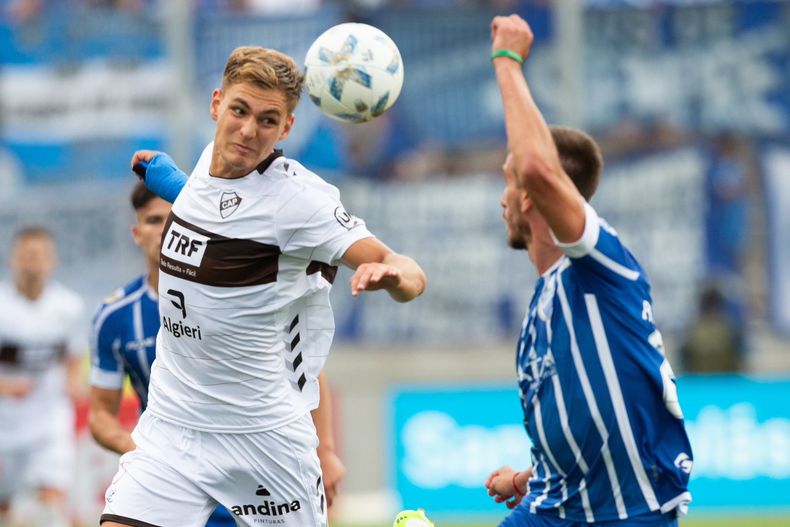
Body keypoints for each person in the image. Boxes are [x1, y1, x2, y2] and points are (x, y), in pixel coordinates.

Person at [100, 46, 426, 527]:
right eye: (240, 111)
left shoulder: (300, 201)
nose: (249, 131)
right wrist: (162, 173)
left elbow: (403, 268)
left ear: (287, 128)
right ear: (216, 104)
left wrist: (395, 277)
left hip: (263, 437)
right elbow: (206, 202)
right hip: (173, 427)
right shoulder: (207, 166)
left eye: (269, 120)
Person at [483, 15, 692, 527]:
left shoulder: (600, 265)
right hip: (555, 506)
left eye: (509, 183)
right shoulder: (543, 304)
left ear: (532, 194)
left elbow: (535, 165)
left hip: (629, 514)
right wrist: (529, 478)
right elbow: (592, 432)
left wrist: (507, 61)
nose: (503, 199)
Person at [90, 183, 347, 525]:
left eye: (173, 220)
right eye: (153, 221)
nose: (164, 231)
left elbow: (307, 372)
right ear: (137, 234)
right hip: (174, 464)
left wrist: (325, 452)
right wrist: (142, 451)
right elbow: (100, 414)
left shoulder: (236, 294)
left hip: (255, 464)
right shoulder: (116, 317)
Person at [0, 227, 85, 527]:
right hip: (6, 424)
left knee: (53, 502)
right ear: (13, 259)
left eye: (40, 255)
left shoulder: (68, 306)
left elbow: (72, 355)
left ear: (53, 261)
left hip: (50, 419)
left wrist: (74, 383)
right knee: (5, 506)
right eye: (27, 255)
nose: (33, 262)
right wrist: (4, 386)